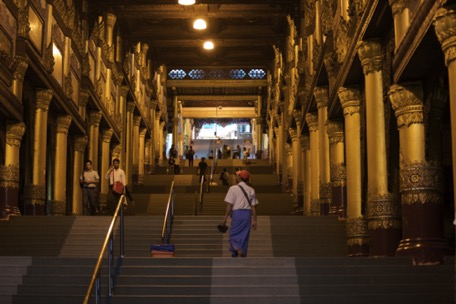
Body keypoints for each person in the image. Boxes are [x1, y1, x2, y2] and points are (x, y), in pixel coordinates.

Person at [220, 170, 258, 257]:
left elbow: (229, 205)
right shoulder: (251, 190)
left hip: (237, 213)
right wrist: (255, 220)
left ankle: (237, 249)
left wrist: (224, 219)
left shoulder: (232, 189)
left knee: (233, 233)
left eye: (237, 176)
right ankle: (242, 252)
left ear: (240, 178)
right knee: (244, 234)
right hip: (247, 214)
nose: (236, 177)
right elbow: (254, 207)